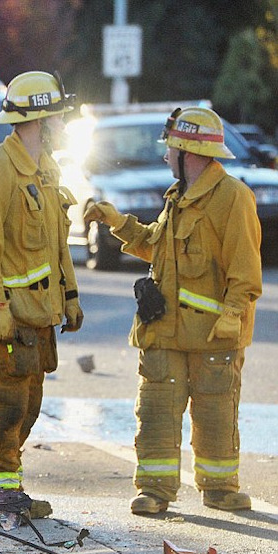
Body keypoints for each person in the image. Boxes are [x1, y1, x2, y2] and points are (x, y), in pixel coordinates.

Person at [84, 106, 262, 515]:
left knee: (215, 412)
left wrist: (233, 313)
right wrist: (118, 223)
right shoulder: (177, 199)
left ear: (189, 153)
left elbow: (245, 271)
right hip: (164, 330)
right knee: (157, 411)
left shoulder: (232, 198)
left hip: (213, 335)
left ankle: (219, 487)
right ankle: (155, 491)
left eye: (170, 149)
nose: (165, 156)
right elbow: (156, 247)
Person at [0, 71, 83, 519]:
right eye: (59, 118)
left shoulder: (46, 172)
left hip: (37, 317)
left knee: (28, 407)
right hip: (7, 318)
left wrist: (69, 296)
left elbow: (57, 244)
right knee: (2, 408)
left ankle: (4, 492)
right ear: (40, 121)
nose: (64, 126)